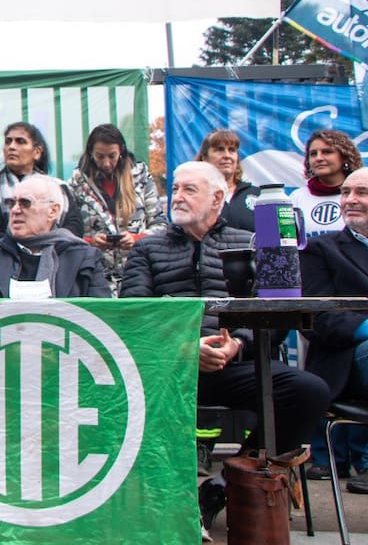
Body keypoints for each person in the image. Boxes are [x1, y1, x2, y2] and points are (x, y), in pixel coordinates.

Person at [120, 162, 329, 458]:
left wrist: (238, 344)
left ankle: (239, 475)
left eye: (189, 190)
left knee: (309, 391)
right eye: (175, 188)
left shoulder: (253, 244)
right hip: (166, 366)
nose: (177, 197)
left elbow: (276, 317)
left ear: (217, 198)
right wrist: (185, 348)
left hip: (233, 364)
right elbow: (133, 316)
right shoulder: (146, 249)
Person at [301, 166, 368, 489]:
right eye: (345, 193)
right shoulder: (322, 249)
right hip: (346, 358)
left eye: (361, 193)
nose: (350, 200)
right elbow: (317, 318)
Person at [0, 173, 107, 298]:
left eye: (25, 203)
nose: (15, 210)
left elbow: (101, 319)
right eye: (11, 203)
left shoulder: (85, 259)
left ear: (53, 211)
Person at [69, 123, 165, 296]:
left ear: (121, 151)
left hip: (139, 272)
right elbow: (67, 235)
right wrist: (91, 242)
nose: (106, 163)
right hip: (95, 275)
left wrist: (136, 239)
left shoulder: (141, 176)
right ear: (90, 153)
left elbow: (161, 226)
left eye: (112, 156)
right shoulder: (76, 183)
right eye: (100, 156)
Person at [0, 121, 83, 244]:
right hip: (1, 257)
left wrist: (42, 246)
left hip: (53, 256)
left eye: (20, 141)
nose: (11, 147)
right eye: (8, 142)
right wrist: (16, 247)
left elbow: (74, 227)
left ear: (37, 152)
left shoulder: (58, 188)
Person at [290, 129, 363, 238]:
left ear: (344, 157)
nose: (319, 158)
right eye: (313, 154)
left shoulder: (362, 195)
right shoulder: (296, 198)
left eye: (327, 152)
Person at [195, 128, 260, 231]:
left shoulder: (259, 195)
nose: (227, 155)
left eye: (232, 150)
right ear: (204, 157)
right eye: (219, 150)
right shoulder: (194, 196)